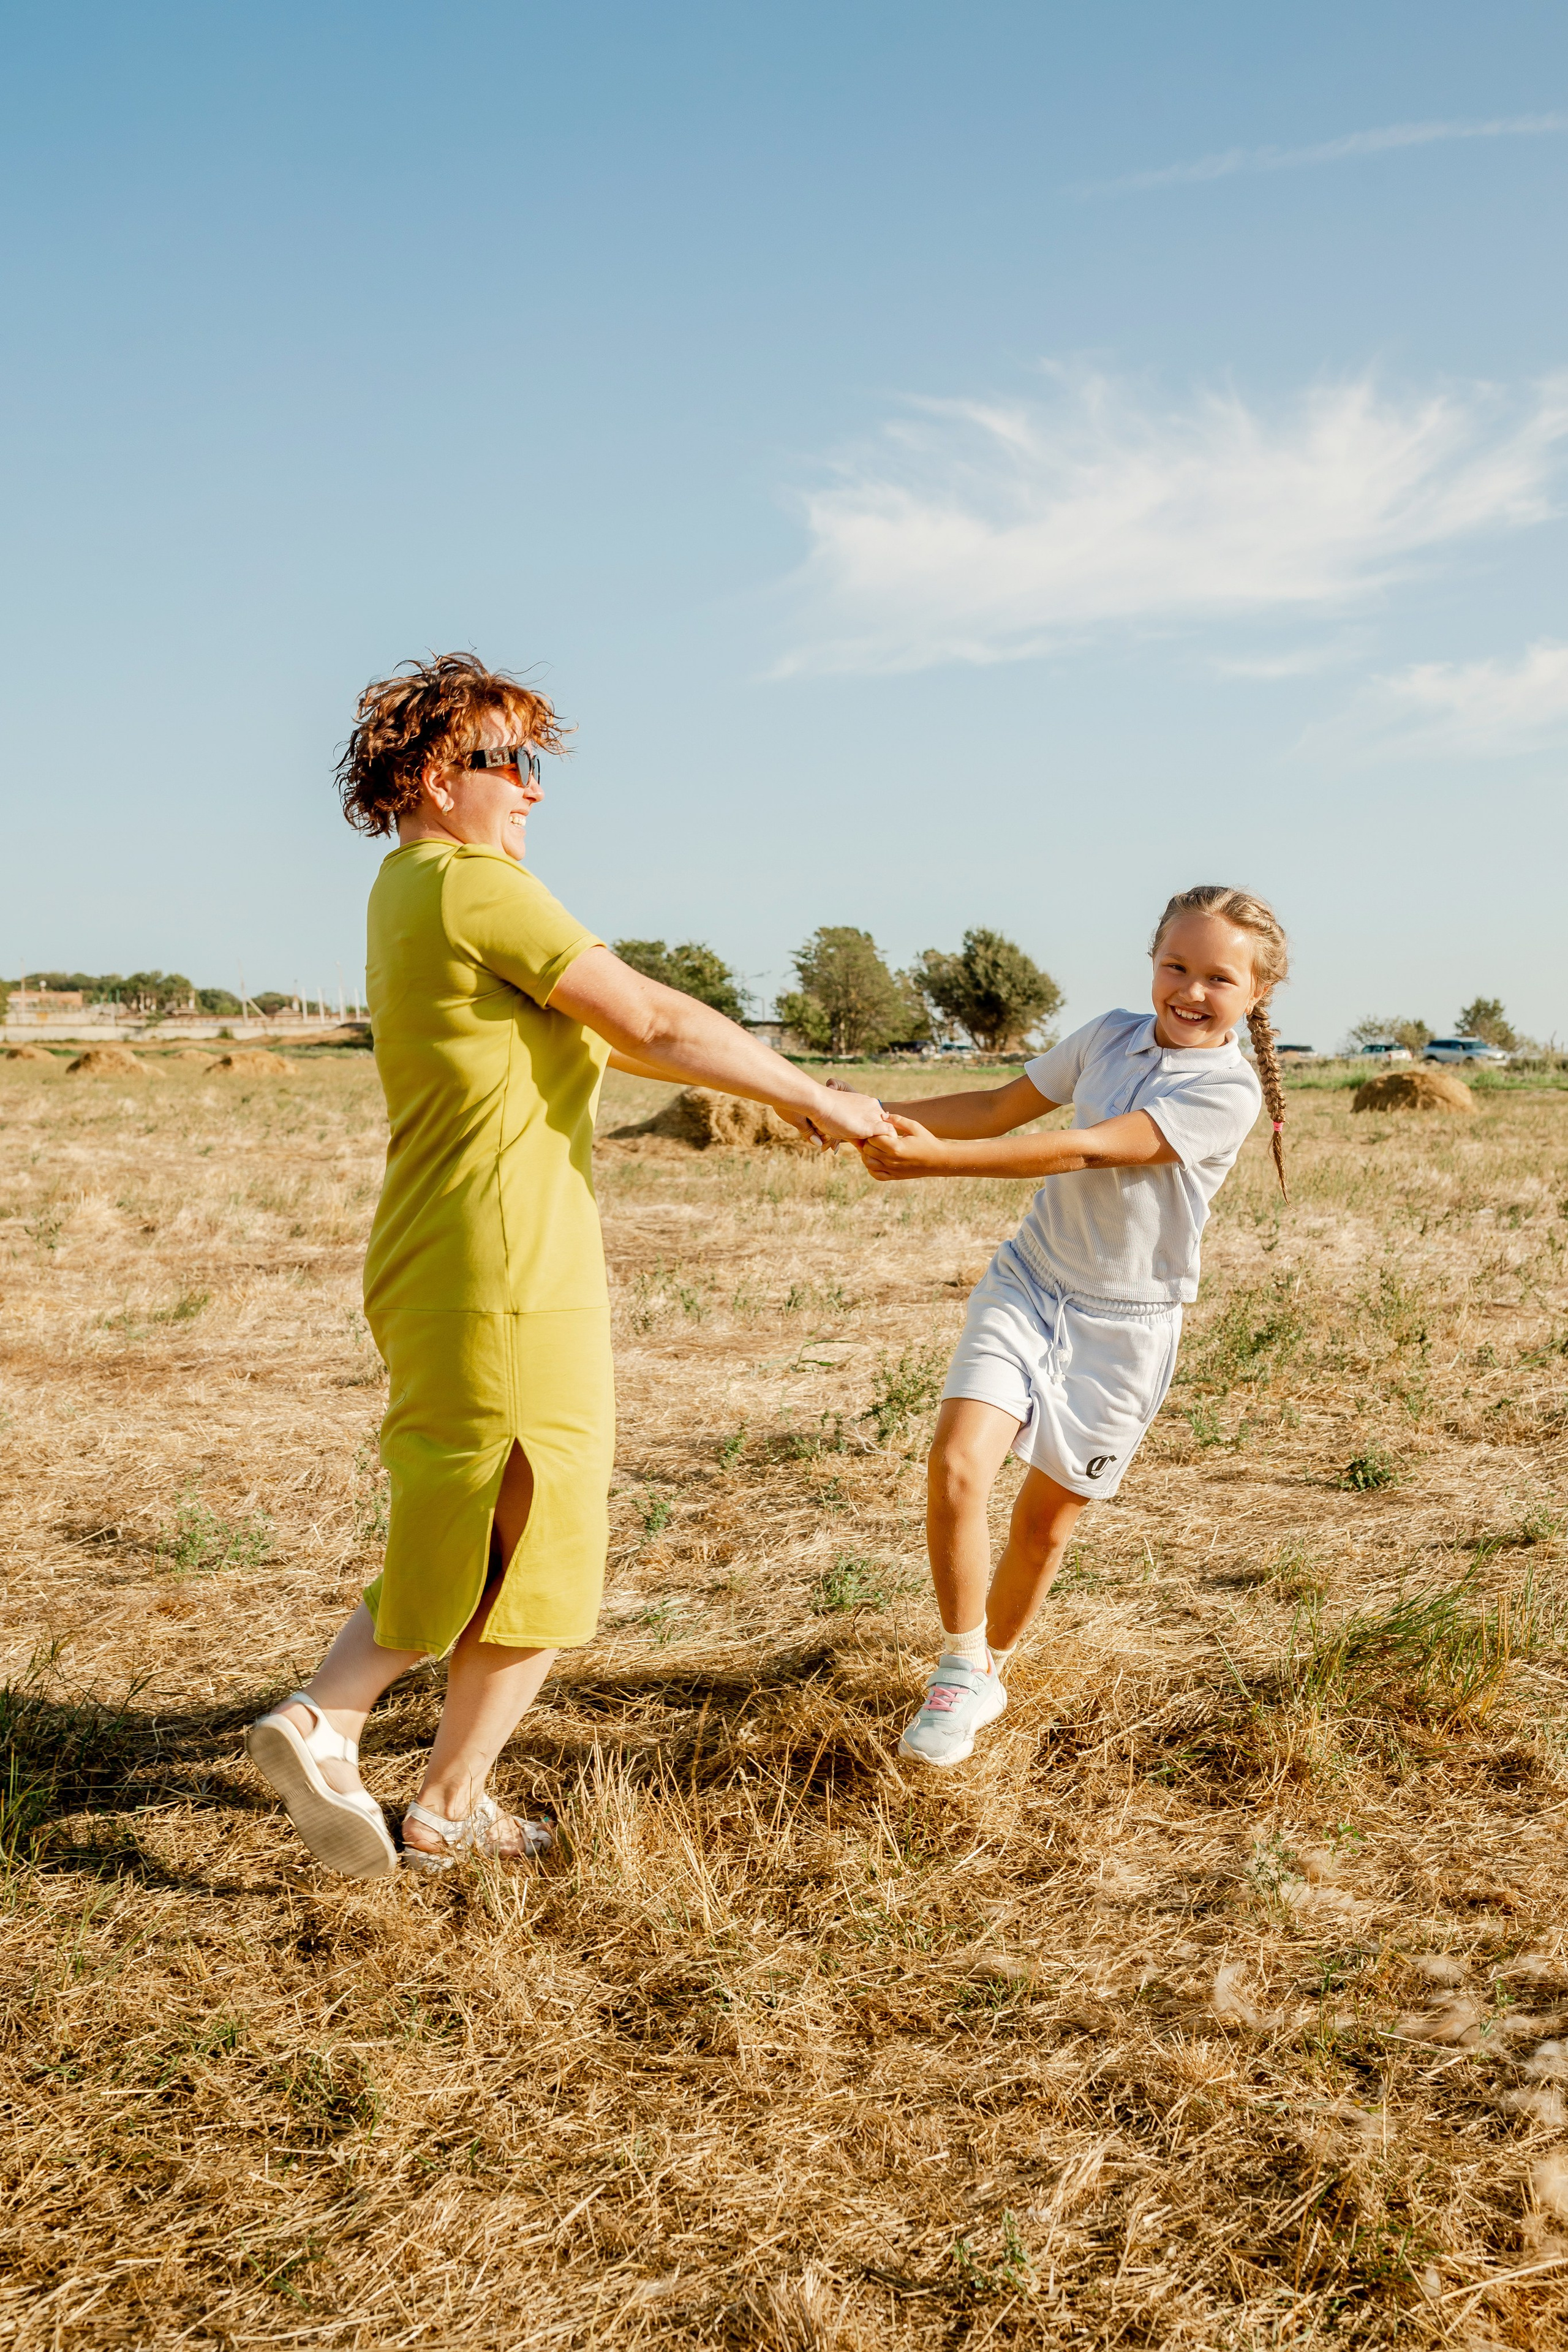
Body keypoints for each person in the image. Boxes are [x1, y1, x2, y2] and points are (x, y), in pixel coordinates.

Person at [246, 654, 889, 1875]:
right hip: (505, 1262)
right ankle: (328, 1714)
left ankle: (445, 1807)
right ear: (440, 778)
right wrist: (819, 1093)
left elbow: (619, 1041)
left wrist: (798, 1106)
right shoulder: (474, 884)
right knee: (514, 1522)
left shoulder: (407, 890)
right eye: (513, 764)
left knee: (505, 1515)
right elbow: (648, 1015)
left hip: (452, 1248)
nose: (534, 793)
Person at [858, 885, 1289, 1768]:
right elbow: (996, 1109)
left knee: (1045, 1528)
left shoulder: (1227, 1091)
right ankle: (961, 1664)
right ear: (1153, 960)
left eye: (1218, 977)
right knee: (957, 1463)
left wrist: (932, 1165)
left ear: (1257, 995)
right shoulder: (1105, 1036)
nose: (1191, 990)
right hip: (1032, 1280)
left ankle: (996, 1668)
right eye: (1177, 965)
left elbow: (1089, 1148)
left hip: (1125, 1327)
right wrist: (864, 1116)